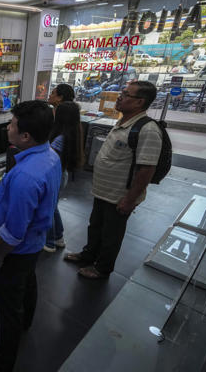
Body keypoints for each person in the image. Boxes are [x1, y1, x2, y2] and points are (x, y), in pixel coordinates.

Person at [0, 101, 61, 372]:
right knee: (27, 284)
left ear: (25, 136)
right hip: (33, 245)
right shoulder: (50, 155)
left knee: (7, 308)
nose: (7, 128)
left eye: (11, 125)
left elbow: (15, 229)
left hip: (15, 250)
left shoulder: (26, 176)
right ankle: (25, 323)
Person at [64, 81, 163, 279]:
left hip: (120, 196)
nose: (119, 96)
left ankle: (102, 268)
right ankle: (88, 255)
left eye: (126, 94)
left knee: (111, 234)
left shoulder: (148, 130)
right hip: (103, 191)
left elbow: (147, 169)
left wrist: (130, 198)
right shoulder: (124, 122)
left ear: (139, 102)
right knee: (96, 226)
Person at [43, 101, 84, 252]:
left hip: (56, 177)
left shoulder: (60, 138)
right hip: (62, 175)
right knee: (53, 207)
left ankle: (49, 242)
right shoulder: (73, 133)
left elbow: (51, 160)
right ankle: (58, 237)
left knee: (48, 208)